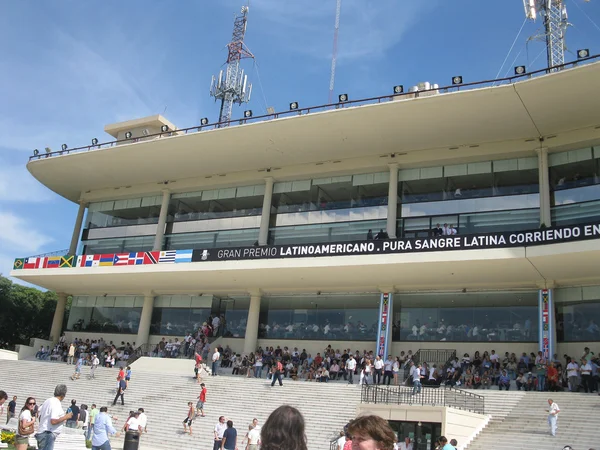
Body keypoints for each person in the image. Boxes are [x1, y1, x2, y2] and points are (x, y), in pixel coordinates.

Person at [35, 384, 73, 450]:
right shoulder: (56, 403)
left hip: (43, 432)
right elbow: (53, 421)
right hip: (47, 434)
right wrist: (66, 417)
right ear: (63, 395)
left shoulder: (48, 400)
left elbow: (39, 415)